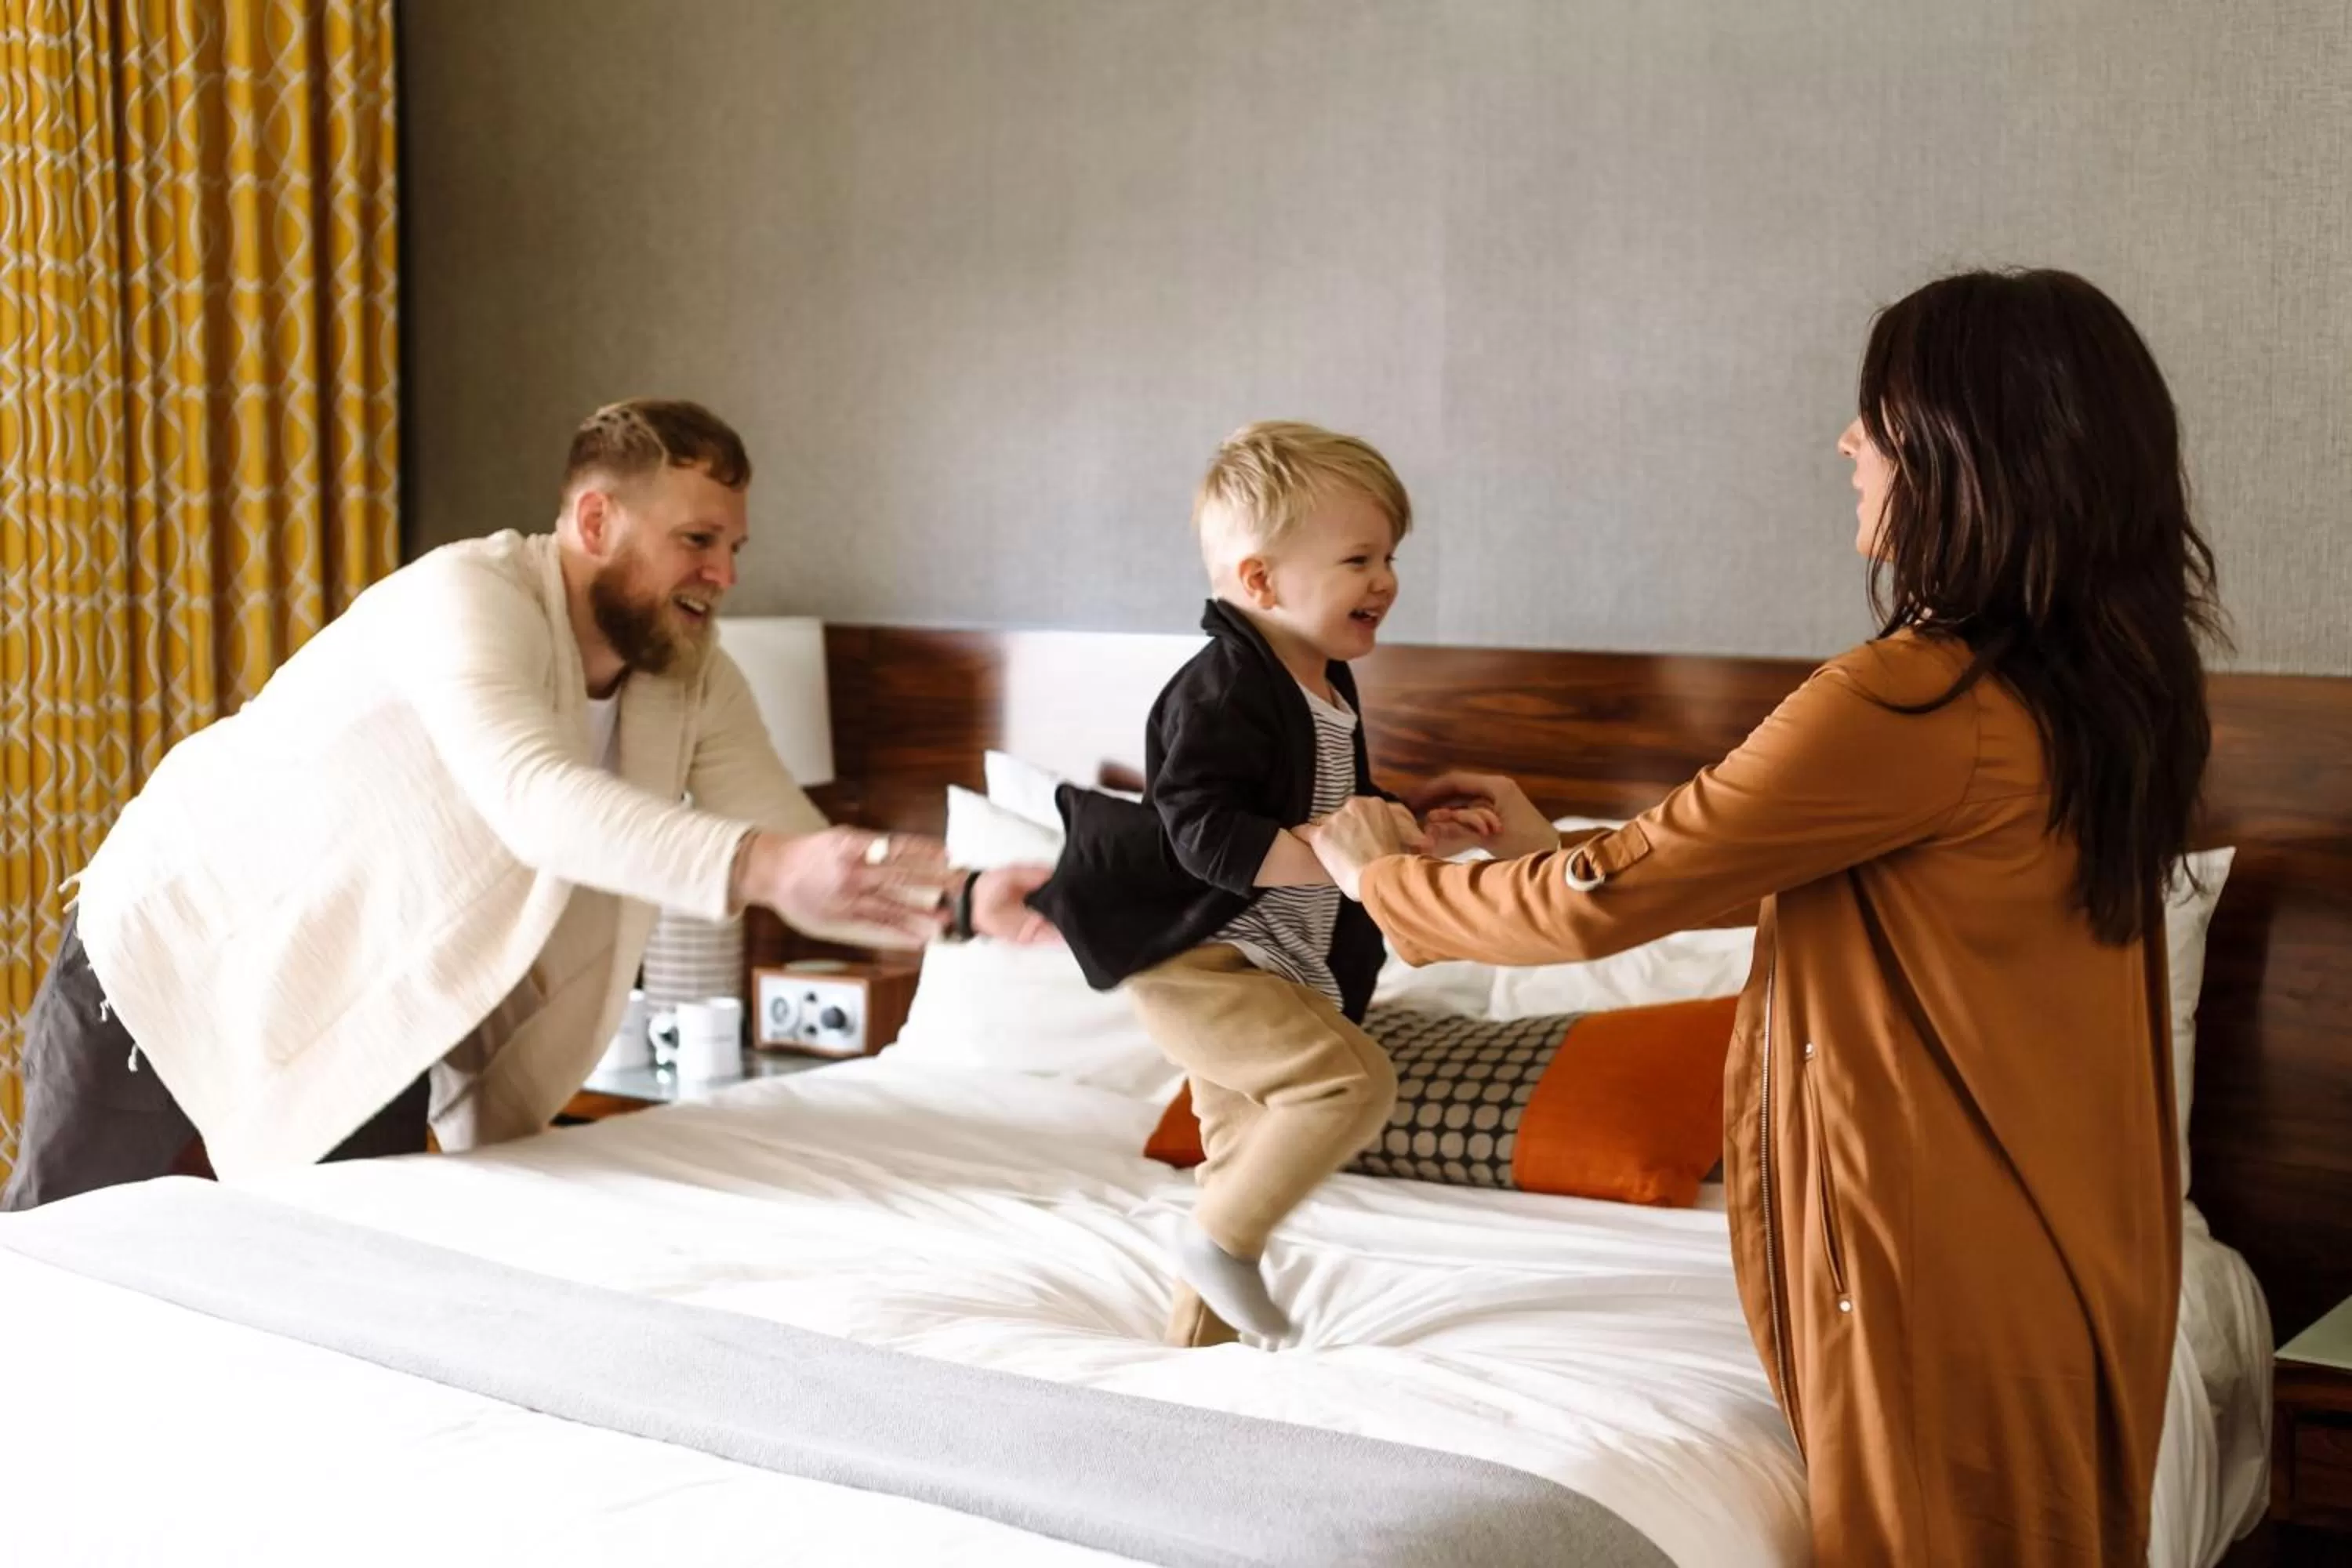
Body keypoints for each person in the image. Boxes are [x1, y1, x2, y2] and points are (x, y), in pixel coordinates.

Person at [1303, 271, 2217, 1564]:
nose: (1848, 443)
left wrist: (1379, 879)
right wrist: (1546, 845)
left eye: (1877, 417)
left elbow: (1606, 905)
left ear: (1968, 451)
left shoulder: (1908, 700)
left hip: (1937, 1262)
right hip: (2067, 1253)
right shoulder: (2108, 695)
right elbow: (1819, 868)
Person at [3, 398, 1051, 1211]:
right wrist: (770, 868)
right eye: (697, 542)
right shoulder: (465, 598)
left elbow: (794, 848)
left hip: (375, 1010)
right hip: (171, 961)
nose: (725, 574)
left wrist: (960, 897)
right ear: (596, 519)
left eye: (735, 548)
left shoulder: (690, 676)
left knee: (339, 1303)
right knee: (51, 1277)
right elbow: (536, 800)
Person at [1029, 422, 1487, 1347]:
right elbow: (1202, 828)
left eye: (1390, 555)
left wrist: (1400, 814)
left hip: (1271, 962)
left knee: (1237, 1152)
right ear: (1260, 580)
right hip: (1200, 961)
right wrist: (1341, 855)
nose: (1386, 579)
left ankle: (1199, 1356)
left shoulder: (1325, 684)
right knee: (1350, 1082)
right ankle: (1220, 1246)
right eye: (1359, 557)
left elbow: (1328, 810)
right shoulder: (1221, 686)